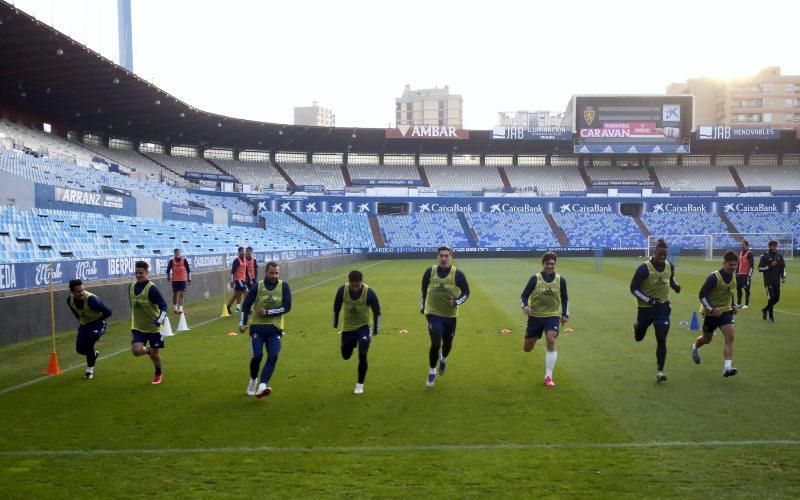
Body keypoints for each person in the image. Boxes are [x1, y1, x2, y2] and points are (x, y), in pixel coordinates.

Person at [629, 238, 681, 382]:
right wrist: (649, 299)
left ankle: (660, 370)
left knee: (661, 338)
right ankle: (638, 327)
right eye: (660, 254)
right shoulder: (644, 268)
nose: (662, 257)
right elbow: (633, 288)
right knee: (639, 337)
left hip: (663, 307)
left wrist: (676, 286)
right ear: (654, 252)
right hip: (645, 309)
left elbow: (670, 279)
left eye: (665, 255)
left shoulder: (669, 265)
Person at [239, 261, 292, 398]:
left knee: (273, 355)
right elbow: (246, 306)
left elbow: (287, 307)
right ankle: (253, 379)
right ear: (266, 272)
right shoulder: (258, 286)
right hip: (257, 327)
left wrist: (269, 312)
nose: (274, 275)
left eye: (276, 273)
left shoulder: (284, 286)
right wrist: (243, 323)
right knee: (257, 356)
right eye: (271, 273)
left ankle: (262, 386)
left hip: (275, 328)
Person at [420, 246, 470, 388]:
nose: (443, 258)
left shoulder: (457, 274)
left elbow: (466, 292)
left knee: (447, 344)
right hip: (433, 313)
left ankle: (443, 359)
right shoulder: (429, 272)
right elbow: (423, 290)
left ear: (451, 257)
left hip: (450, 315)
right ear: (437, 257)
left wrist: (456, 301)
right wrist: (423, 308)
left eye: (446, 256)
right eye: (441, 255)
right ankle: (432, 371)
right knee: (435, 341)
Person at [519, 252, 569, 388]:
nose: (550, 266)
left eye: (552, 264)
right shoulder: (535, 279)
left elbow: (565, 298)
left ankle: (548, 375)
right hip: (535, 317)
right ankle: (530, 334)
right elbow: (523, 296)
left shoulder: (560, 280)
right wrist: (525, 306)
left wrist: (565, 314)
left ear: (555, 264)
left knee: (551, 339)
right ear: (543, 264)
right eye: (547, 263)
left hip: (552, 316)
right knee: (527, 348)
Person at [691, 250, 739, 377]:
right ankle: (695, 347)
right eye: (731, 264)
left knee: (730, 336)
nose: (733, 267)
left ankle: (727, 368)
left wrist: (733, 305)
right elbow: (702, 295)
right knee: (707, 339)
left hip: (726, 311)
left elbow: (730, 292)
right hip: (710, 313)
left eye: (735, 265)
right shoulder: (714, 277)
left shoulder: (734, 276)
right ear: (724, 263)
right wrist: (711, 309)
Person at [333, 270, 381, 394]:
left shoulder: (369, 292)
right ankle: (349, 342)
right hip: (348, 328)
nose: (355, 288)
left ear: (361, 282)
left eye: (357, 285)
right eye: (352, 286)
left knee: (363, 354)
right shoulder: (342, 290)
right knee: (346, 356)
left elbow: (377, 311)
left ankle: (360, 384)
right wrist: (335, 322)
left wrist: (377, 328)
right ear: (349, 282)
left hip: (364, 327)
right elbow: (336, 306)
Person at [129, 261, 169, 384]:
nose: (138, 275)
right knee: (136, 351)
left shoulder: (151, 289)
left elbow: (164, 306)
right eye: (136, 273)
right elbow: (132, 305)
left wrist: (159, 320)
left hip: (154, 329)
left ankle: (158, 372)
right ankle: (147, 350)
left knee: (155, 355)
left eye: (141, 273)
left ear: (146, 273)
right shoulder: (131, 286)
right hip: (138, 327)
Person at [67, 279, 112, 379]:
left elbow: (108, 312)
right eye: (78, 291)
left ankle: (89, 370)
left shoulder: (92, 300)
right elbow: (76, 314)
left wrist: (98, 321)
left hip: (98, 323)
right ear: (72, 292)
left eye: (82, 290)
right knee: (80, 349)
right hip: (84, 325)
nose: (81, 293)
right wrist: (83, 322)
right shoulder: (69, 300)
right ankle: (92, 354)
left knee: (91, 340)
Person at [758, 240, 787, 323]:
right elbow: (760, 268)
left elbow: (783, 268)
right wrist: (770, 266)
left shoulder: (779, 256)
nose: (775, 248)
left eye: (776, 246)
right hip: (768, 282)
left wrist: (783, 276)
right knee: (770, 299)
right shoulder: (765, 256)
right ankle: (771, 317)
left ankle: (765, 309)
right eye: (773, 246)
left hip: (776, 282)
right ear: (770, 246)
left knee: (777, 298)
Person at [166, 248, 191, 314]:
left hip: (182, 280)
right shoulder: (171, 261)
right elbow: (168, 270)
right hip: (175, 280)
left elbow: (188, 270)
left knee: (181, 294)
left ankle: (180, 309)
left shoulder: (184, 260)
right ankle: (175, 308)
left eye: (178, 252)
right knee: (175, 294)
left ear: (180, 253)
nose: (177, 253)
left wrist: (189, 279)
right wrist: (168, 277)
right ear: (174, 253)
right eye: (176, 252)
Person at [227, 246, 248, 314]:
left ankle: (228, 307)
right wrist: (232, 282)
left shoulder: (244, 259)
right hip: (238, 279)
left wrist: (247, 278)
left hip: (243, 279)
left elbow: (245, 270)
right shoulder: (236, 260)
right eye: (242, 251)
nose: (243, 252)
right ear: (239, 252)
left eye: (244, 251)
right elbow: (232, 272)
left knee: (236, 294)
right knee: (246, 291)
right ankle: (246, 309)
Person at [736, 240, 753, 309]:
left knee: (746, 289)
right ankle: (739, 303)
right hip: (739, 274)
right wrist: (736, 272)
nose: (741, 246)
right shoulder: (740, 253)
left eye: (742, 244)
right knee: (738, 289)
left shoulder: (749, 254)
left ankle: (746, 304)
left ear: (746, 245)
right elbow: (739, 264)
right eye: (741, 244)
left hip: (746, 275)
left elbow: (752, 265)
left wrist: (749, 275)